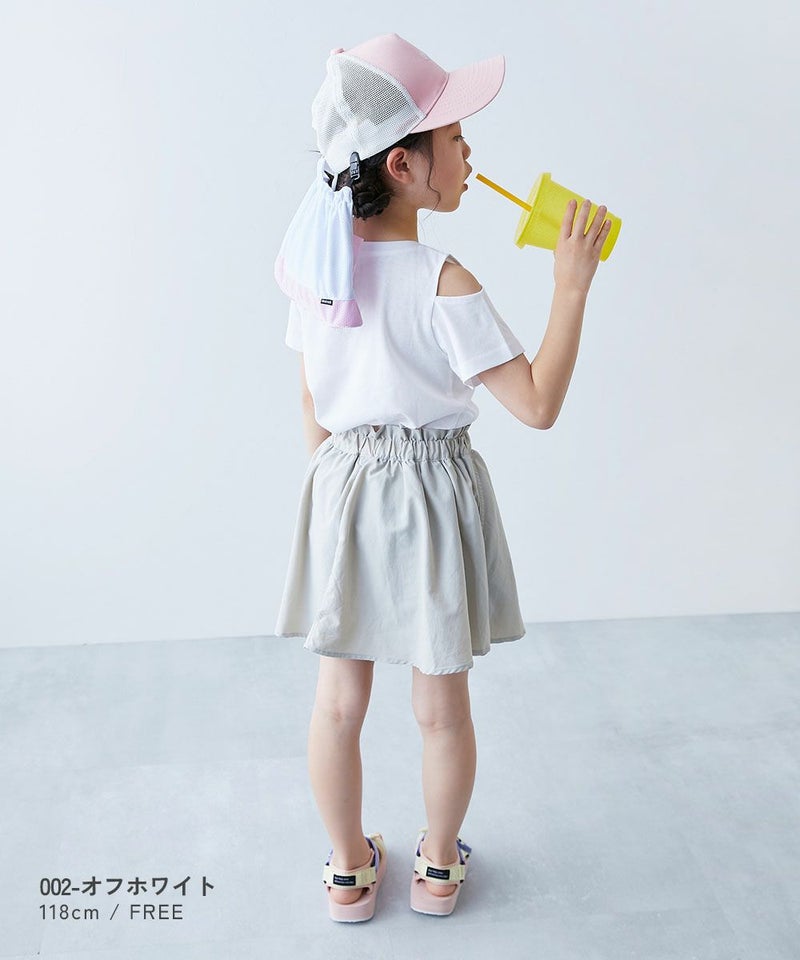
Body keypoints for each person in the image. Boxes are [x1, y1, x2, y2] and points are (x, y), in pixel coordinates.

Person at [273, 33, 612, 922]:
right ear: (404, 164)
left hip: (344, 485)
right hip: (429, 500)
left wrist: (343, 493)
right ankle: (435, 867)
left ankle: (349, 872)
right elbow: (537, 404)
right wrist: (571, 287)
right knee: (441, 707)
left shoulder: (318, 268)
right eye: (454, 138)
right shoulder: (444, 280)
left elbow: (312, 402)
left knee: (337, 703)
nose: (468, 152)